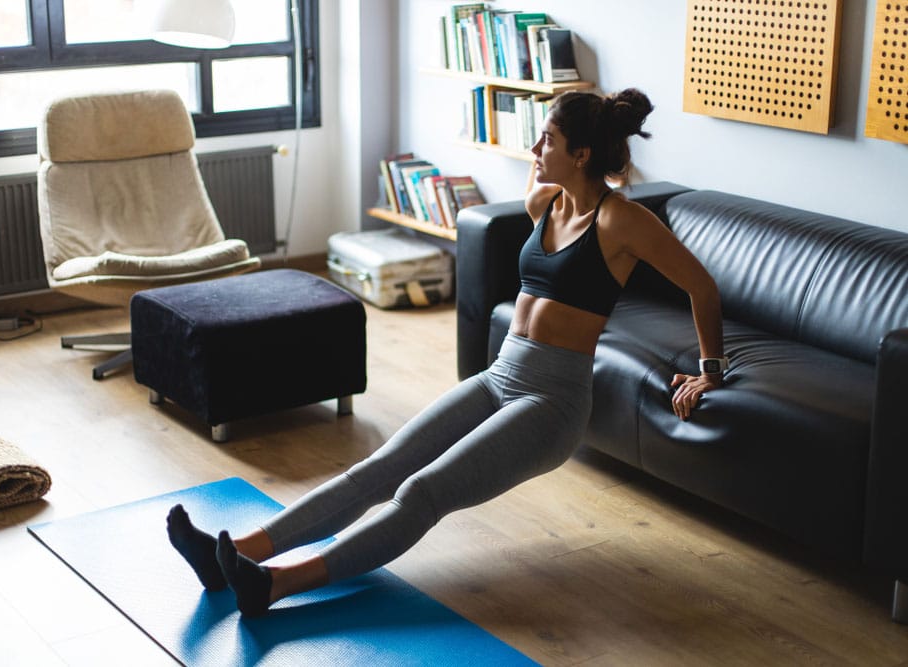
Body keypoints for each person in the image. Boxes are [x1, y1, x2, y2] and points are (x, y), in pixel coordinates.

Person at [167, 88, 725, 617]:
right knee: (382, 467)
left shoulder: (620, 220)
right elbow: (545, 236)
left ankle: (276, 584)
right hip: (500, 375)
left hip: (552, 402)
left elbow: (700, 285)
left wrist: (709, 371)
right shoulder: (545, 202)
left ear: (581, 154)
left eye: (548, 140)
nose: (535, 150)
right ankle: (239, 553)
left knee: (422, 491)